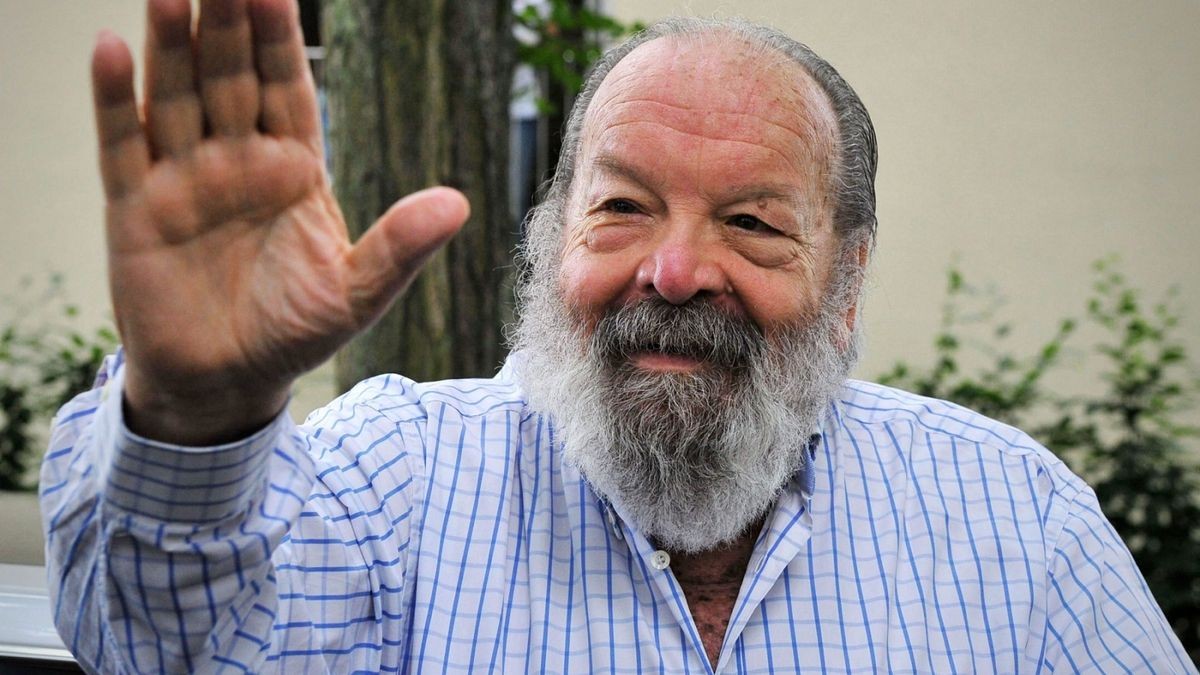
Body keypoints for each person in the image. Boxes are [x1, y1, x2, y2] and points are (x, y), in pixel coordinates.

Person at [41, 0, 1192, 672]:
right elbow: (162, 653)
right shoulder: (392, 479)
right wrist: (196, 415)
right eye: (623, 206)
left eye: (750, 222)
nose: (678, 269)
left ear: (847, 281)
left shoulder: (1014, 519)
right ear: (551, 244)